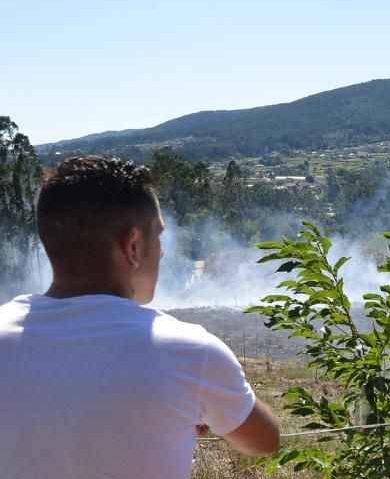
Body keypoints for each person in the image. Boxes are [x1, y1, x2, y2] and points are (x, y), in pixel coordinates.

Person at [0, 156, 280, 478]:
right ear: (132, 246)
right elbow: (264, 440)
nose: (161, 251)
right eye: (157, 235)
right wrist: (195, 400)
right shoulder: (191, 352)